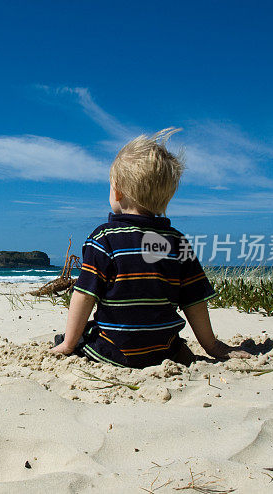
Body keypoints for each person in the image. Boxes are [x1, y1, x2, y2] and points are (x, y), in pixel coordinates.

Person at [50, 128, 251, 367]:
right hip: (166, 353)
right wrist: (212, 346)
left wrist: (69, 344)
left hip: (114, 352)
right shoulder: (177, 242)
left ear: (118, 190)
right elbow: (194, 299)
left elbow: (85, 295)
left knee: (76, 337)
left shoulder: (104, 238)